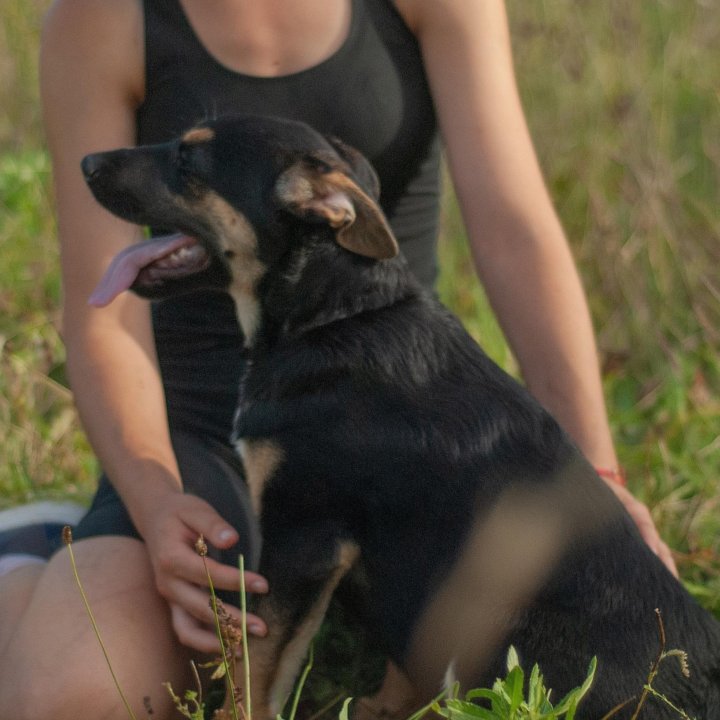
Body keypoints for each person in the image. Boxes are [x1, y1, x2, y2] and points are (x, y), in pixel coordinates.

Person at [0, 1, 677, 718]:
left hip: (405, 429)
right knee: (67, 697)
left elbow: (515, 229)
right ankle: (31, 556)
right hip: (200, 441)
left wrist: (593, 475)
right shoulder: (101, 18)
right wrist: (156, 498)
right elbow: (102, 305)